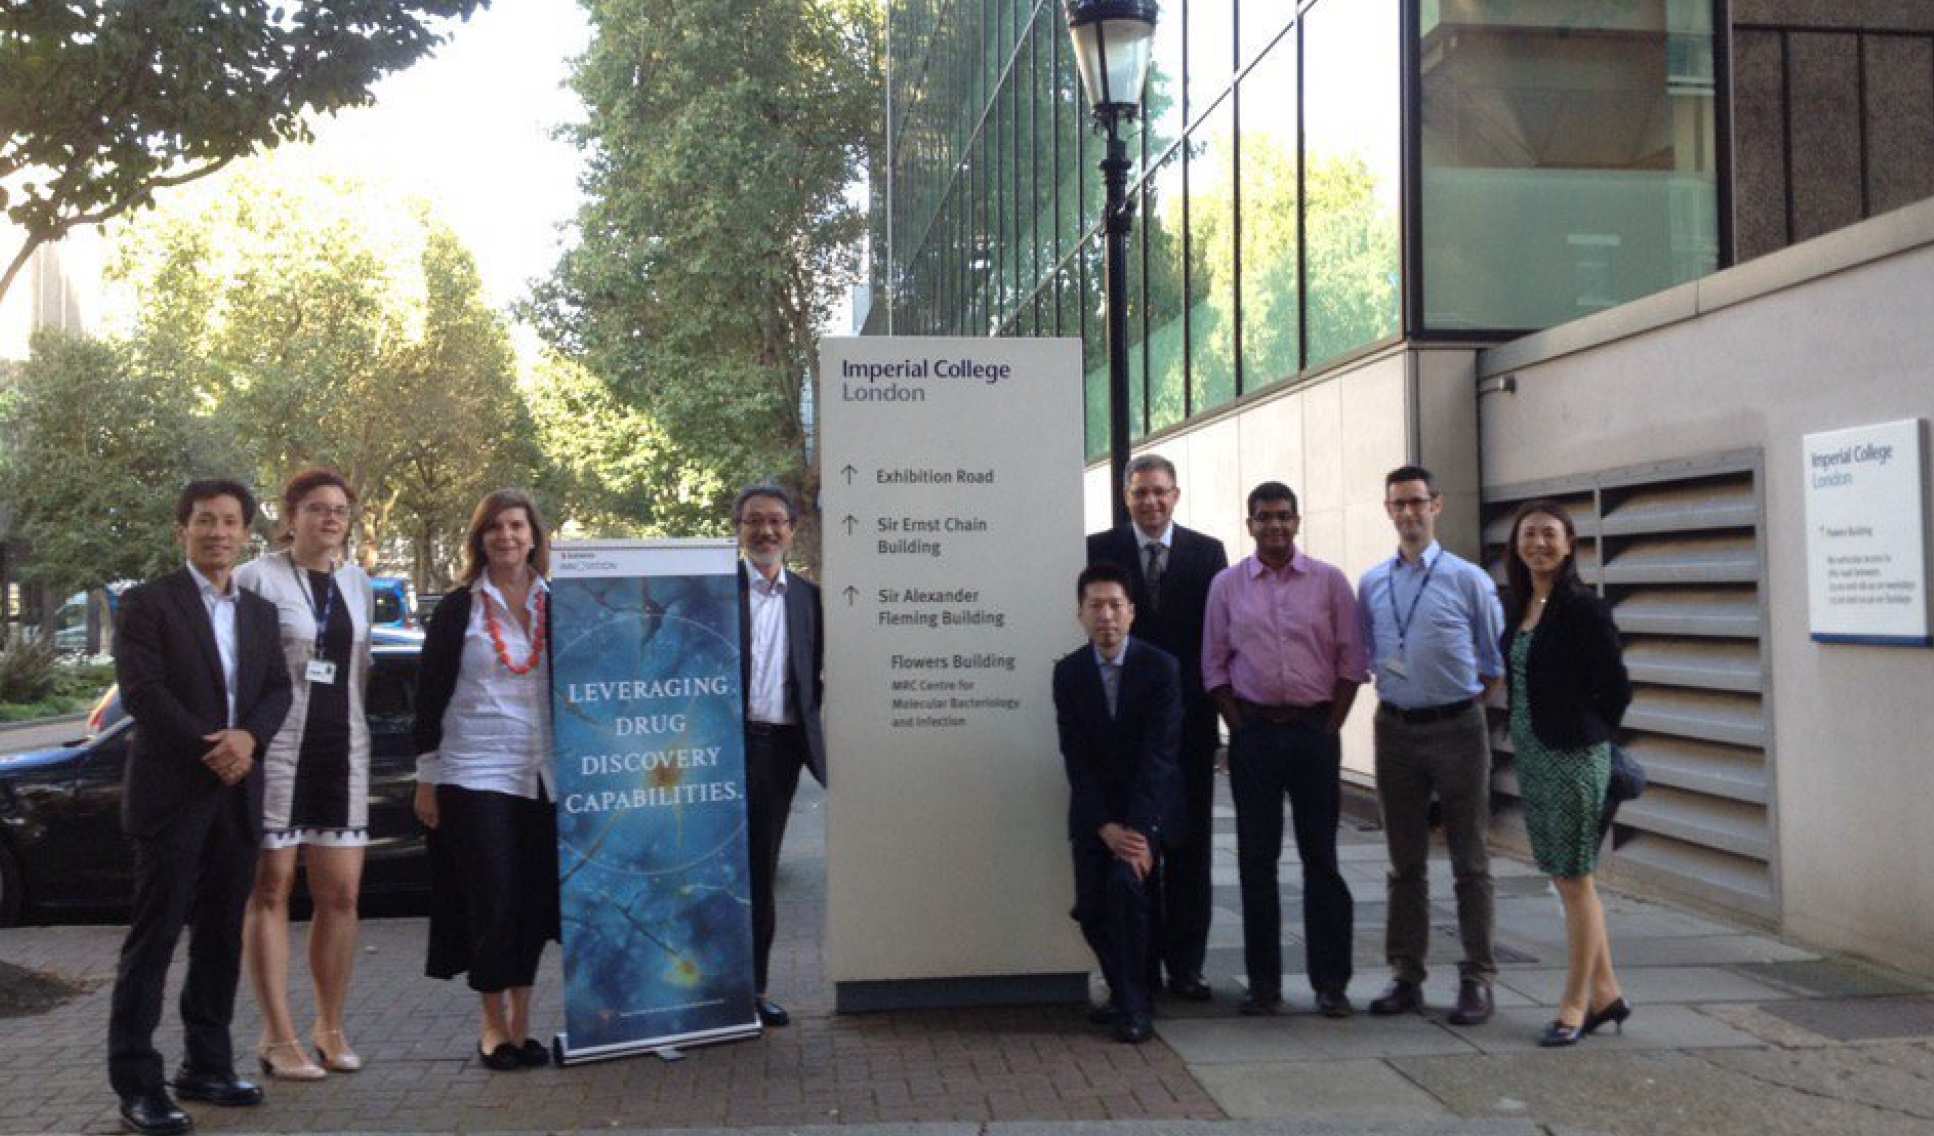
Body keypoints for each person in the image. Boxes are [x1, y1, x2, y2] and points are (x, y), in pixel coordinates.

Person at [108, 480, 294, 1136]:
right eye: (205, 521)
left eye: (230, 522)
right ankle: (138, 1085)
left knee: (219, 939)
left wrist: (249, 738)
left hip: (237, 799)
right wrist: (209, 746)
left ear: (246, 533)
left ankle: (207, 1065)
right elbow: (143, 692)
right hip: (172, 800)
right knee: (153, 942)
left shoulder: (259, 613)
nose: (218, 532)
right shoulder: (147, 604)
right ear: (181, 529)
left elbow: (276, 690)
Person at [1202, 481, 1366, 1019]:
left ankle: (1330, 984)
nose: (1273, 525)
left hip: (1314, 733)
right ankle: (1264, 984)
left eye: (1282, 516)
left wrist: (1330, 727)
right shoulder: (1226, 586)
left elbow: (1350, 661)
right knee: (1256, 862)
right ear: (1248, 525)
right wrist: (1239, 729)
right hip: (1255, 735)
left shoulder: (1330, 583)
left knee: (1322, 860)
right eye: (1263, 517)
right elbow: (1214, 665)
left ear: (1298, 521)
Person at [234, 469, 375, 1080]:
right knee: (270, 891)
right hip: (274, 754)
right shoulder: (255, 578)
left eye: (340, 509)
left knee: (341, 895)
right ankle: (277, 1036)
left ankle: (330, 1027)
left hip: (342, 750)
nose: (330, 518)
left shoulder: (357, 581)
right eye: (316, 508)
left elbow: (360, 670)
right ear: (290, 516)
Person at [412, 489, 560, 1071]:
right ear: (480, 539)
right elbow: (428, 699)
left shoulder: (561, 602)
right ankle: (492, 1027)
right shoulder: (458, 609)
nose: (506, 536)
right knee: (492, 900)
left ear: (533, 535)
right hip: (474, 771)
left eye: (517, 526)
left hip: (546, 772)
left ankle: (525, 1024)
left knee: (531, 902)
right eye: (495, 527)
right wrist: (427, 778)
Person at [1359, 466, 1506, 1026]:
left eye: (1417, 502)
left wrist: (1456, 708)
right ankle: (1407, 975)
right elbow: (1373, 653)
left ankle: (1477, 977)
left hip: (1457, 728)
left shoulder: (1468, 579)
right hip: (1395, 729)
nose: (1408, 513)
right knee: (1404, 863)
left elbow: (1490, 663)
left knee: (1470, 859)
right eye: (1398, 504)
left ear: (1436, 506)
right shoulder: (1372, 583)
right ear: (1388, 510)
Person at [1085, 454, 1227, 1001]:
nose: (1151, 502)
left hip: (1189, 731)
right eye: (1141, 492)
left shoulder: (1207, 553)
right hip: (1123, 731)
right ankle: (1138, 967)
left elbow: (1216, 640)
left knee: (1190, 851)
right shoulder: (1100, 550)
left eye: (1161, 492)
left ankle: (1185, 966)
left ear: (1177, 495)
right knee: (1133, 847)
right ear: (1126, 496)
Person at [1499, 499, 1634, 1047]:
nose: (1538, 543)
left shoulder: (1583, 607)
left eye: (1549, 534)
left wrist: (1589, 733)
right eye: (1528, 534)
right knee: (1564, 876)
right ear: (1516, 545)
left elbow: (1617, 687)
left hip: (1574, 758)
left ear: (1570, 541)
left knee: (1576, 880)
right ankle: (1607, 992)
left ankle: (1575, 1005)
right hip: (1534, 756)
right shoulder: (1523, 604)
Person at [1053, 563, 1182, 1043]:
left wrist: (1138, 831)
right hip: (1095, 815)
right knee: (1090, 910)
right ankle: (1133, 990)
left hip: (1145, 813)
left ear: (1131, 612)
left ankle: (1133, 1005)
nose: (1105, 615)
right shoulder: (1068, 674)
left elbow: (1160, 755)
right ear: (1080, 615)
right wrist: (1103, 824)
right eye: (1095, 606)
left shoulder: (1160, 668)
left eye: (1114, 605)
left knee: (1127, 893)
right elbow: (1075, 756)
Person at [733, 483, 826, 1029]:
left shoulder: (809, 599)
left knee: (761, 871)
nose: (765, 531)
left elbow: (813, 677)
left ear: (792, 529)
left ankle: (752, 991)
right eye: (753, 521)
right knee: (717, 869)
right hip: (721, 748)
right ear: (739, 529)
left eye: (776, 521)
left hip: (778, 754)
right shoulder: (714, 592)